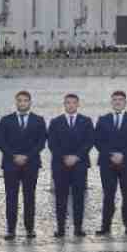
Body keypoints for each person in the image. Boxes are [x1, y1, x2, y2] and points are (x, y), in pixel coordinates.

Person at [0, 90, 46, 240]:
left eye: (25, 100)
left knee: (29, 197)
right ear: (16, 102)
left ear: (30, 102)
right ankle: (10, 229)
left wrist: (27, 156)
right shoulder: (6, 120)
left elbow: (41, 142)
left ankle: (29, 228)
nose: (22, 103)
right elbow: (1, 141)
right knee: (11, 197)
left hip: (31, 164)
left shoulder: (39, 120)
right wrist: (14, 156)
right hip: (10, 164)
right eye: (19, 100)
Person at [94, 90, 127, 236]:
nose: (117, 102)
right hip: (107, 162)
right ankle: (105, 225)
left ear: (125, 102)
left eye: (120, 99)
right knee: (108, 194)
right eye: (115, 100)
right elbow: (97, 141)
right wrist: (112, 154)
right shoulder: (103, 119)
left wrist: (122, 154)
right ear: (111, 102)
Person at [47, 93, 93, 237]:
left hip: (79, 165)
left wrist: (76, 156)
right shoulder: (55, 122)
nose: (71, 105)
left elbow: (89, 141)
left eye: (73, 103)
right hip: (60, 165)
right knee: (60, 197)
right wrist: (65, 157)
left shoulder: (86, 121)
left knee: (79, 197)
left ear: (78, 104)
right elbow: (52, 143)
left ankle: (78, 228)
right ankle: (60, 228)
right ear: (64, 104)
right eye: (68, 103)